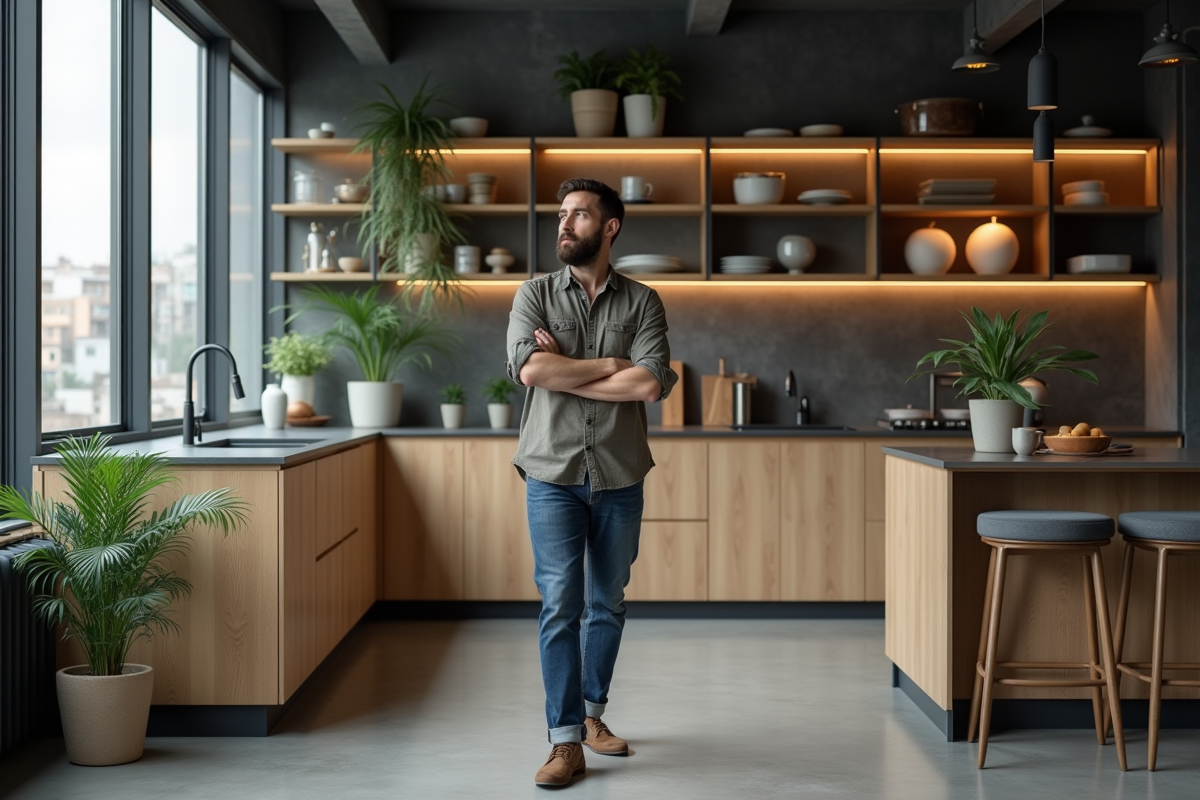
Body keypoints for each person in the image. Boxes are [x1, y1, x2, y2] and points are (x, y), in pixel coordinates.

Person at [505, 177, 678, 788]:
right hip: (550, 472)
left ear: (609, 228)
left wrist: (565, 372)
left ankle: (592, 714)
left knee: (608, 602)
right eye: (561, 214)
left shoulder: (644, 302)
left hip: (620, 473)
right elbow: (529, 368)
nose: (564, 224)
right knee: (561, 604)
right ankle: (564, 743)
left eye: (579, 215)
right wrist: (609, 365)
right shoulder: (533, 294)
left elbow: (650, 384)